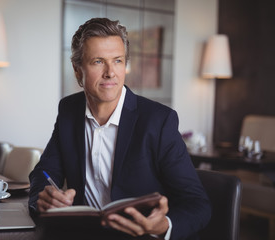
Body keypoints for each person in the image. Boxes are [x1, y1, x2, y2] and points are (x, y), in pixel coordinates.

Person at [28, 18, 211, 239]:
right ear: (78, 71)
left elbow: (197, 204)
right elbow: (44, 172)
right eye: (98, 61)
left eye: (117, 61)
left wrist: (162, 226)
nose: (110, 72)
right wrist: (45, 197)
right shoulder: (69, 110)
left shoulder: (158, 121)